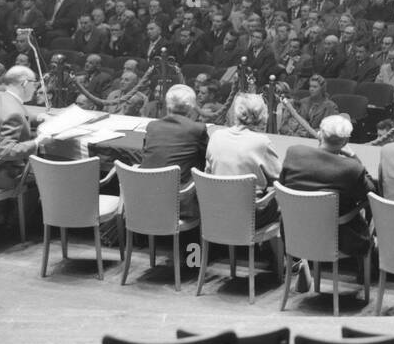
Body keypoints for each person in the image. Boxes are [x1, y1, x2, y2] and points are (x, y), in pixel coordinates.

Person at [279, 114, 374, 258]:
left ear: (319, 134)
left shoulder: (294, 152)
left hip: (293, 231)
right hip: (335, 237)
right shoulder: (352, 168)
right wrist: (354, 157)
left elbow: (282, 183)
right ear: (346, 141)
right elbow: (371, 193)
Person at [205, 93, 284, 227]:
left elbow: (208, 171)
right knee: (284, 201)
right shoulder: (261, 142)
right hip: (249, 216)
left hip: (216, 210)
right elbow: (280, 177)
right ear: (261, 115)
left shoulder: (216, 136)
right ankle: (272, 248)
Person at [0, 65, 56, 191]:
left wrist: (38, 117)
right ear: (25, 84)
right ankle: (15, 210)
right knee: (48, 179)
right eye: (34, 84)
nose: (35, 89)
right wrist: (37, 142)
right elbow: (7, 152)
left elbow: (13, 113)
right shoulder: (13, 112)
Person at [140, 83, 209, 224]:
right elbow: (207, 158)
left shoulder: (152, 126)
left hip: (145, 197)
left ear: (168, 105)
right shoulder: (197, 129)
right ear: (191, 107)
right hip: (179, 202)